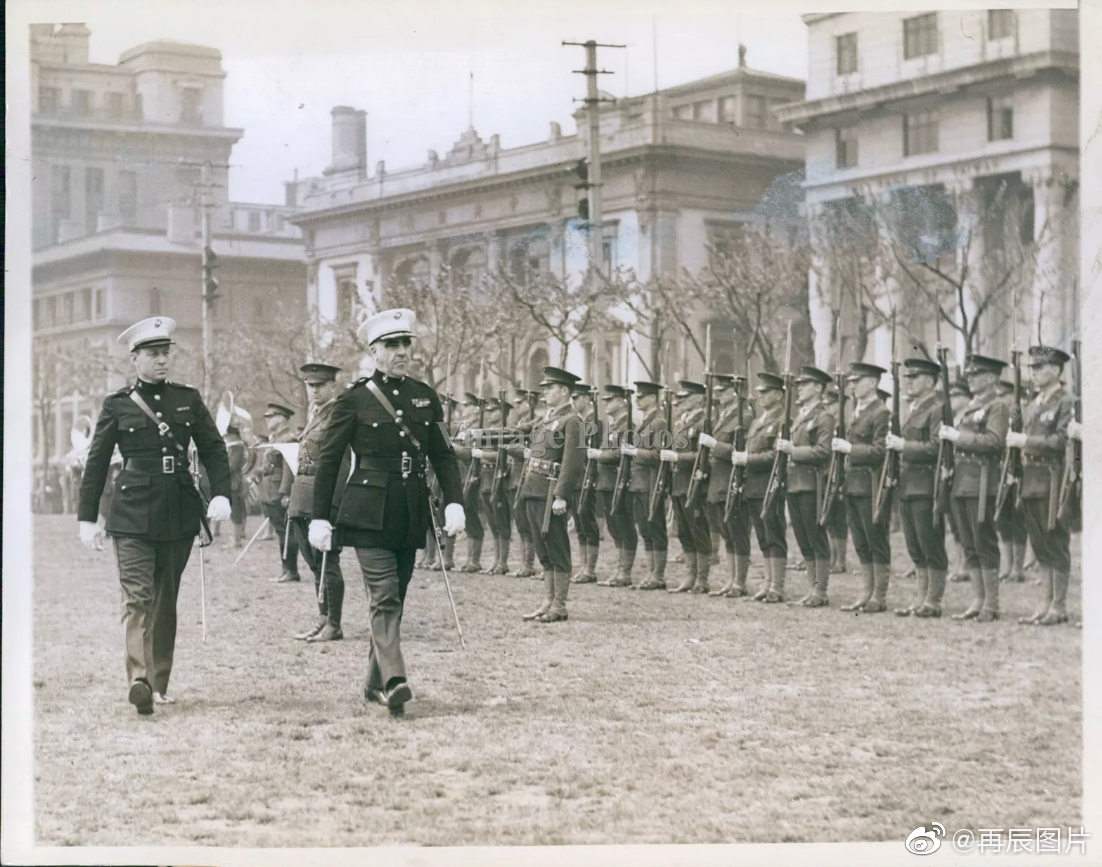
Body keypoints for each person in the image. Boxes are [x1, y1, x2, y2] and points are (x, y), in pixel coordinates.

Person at [308, 309, 465, 715]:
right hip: (366, 513)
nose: (401, 352)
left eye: (405, 343)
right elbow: (329, 459)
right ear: (374, 351)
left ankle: (372, 683)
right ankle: (395, 679)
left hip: (410, 510)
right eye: (391, 345)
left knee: (398, 595)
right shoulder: (355, 398)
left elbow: (443, 455)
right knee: (384, 596)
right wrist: (320, 515)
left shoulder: (425, 396)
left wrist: (454, 501)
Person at [77, 316, 231, 716]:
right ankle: (139, 681)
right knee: (138, 599)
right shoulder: (117, 404)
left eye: (165, 353)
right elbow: (95, 465)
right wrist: (86, 518)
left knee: (165, 601)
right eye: (152, 353)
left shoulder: (188, 398)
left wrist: (222, 496)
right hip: (130, 514)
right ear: (135, 359)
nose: (162, 360)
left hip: (178, 510)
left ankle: (159, 682)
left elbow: (214, 448)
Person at [506, 367, 588, 621]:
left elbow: (574, 462)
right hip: (533, 488)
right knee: (542, 547)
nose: (545, 393)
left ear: (564, 391)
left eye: (550, 388)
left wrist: (562, 495)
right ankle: (548, 601)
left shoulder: (573, 421)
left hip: (552, 491)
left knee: (556, 545)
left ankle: (560, 605)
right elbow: (520, 431)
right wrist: (490, 435)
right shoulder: (545, 419)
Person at [938, 355, 1010, 622]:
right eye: (969, 374)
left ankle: (991, 603)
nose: (970, 378)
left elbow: (994, 441)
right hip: (962, 481)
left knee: (984, 541)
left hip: (983, 482)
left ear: (992, 378)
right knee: (969, 543)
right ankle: (978, 599)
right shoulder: (969, 409)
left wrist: (958, 437)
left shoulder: (998, 407)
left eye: (976, 374)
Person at [1008, 345, 1074, 626]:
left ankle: (1058, 605)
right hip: (1032, 480)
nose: (1033, 373)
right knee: (1039, 543)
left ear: (1057, 370)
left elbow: (1060, 442)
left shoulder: (1066, 402)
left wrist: (1026, 442)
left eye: (1040, 367)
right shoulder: (1033, 405)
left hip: (1053, 480)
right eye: (1032, 368)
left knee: (1055, 541)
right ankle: (1045, 602)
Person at [286, 362, 350, 642]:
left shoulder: (338, 414)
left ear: (333, 386)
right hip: (303, 496)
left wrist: (332, 507)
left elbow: (342, 463)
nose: (314, 391)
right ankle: (322, 617)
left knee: (328, 561)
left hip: (322, 499)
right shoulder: (315, 415)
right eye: (311, 386)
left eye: (320, 385)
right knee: (313, 563)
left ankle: (334, 624)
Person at [886, 358, 950, 617]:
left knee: (930, 543)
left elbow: (938, 447)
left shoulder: (937, 409)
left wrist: (903, 446)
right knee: (915, 545)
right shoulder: (914, 409)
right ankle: (922, 598)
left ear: (929, 381)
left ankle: (933, 600)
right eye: (907, 377)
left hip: (926, 485)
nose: (908, 382)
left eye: (914, 377)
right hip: (908, 485)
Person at [832, 362, 891, 613]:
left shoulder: (881, 413)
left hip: (871, 483)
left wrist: (850, 449)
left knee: (875, 539)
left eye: (858, 381)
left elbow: (880, 451)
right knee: (861, 541)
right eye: (852, 382)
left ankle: (878, 595)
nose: (853, 386)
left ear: (874, 383)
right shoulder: (856, 412)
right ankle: (866, 592)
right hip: (854, 483)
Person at [775, 365, 836, 607]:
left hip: (812, 483)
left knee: (816, 537)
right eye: (798, 385)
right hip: (795, 483)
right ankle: (812, 587)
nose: (799, 388)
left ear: (819, 388)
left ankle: (820, 590)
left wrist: (793, 451)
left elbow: (823, 451)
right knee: (803, 538)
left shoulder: (824, 416)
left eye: (805, 384)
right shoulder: (801, 417)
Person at [734, 372, 788, 602]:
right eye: (760, 393)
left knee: (774, 534)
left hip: (770, 485)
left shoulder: (782, 421)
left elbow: (776, 456)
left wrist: (747, 460)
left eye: (766, 392)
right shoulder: (758, 421)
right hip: (754, 486)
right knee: (763, 536)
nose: (761, 397)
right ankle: (767, 582)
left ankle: (777, 585)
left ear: (778, 394)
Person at [696, 376, 751, 597]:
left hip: (731, 479)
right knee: (727, 533)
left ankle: (740, 581)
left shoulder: (744, 417)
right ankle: (731, 579)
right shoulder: (721, 417)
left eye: (723, 391)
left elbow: (739, 451)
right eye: (717, 391)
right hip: (717, 481)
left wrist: (714, 445)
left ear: (734, 392)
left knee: (738, 533)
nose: (718, 395)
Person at [666, 381, 712, 593]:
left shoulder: (704, 422)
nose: (680, 402)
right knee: (684, 532)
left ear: (698, 399)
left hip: (694, 483)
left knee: (698, 531)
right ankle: (689, 575)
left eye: (685, 398)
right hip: (678, 483)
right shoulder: (680, 423)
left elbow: (703, 456)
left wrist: (677, 457)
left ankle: (701, 579)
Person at [621, 381, 668, 589]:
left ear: (652, 398)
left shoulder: (658, 422)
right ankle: (651, 573)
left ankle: (658, 575)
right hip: (640, 483)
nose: (637, 400)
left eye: (641, 397)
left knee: (655, 528)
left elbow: (659, 454)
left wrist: (634, 452)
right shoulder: (645, 422)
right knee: (645, 529)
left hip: (651, 482)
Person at [593, 385, 638, 587]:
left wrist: (599, 455)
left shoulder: (628, 425)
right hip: (607, 482)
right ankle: (620, 569)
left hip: (619, 481)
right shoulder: (613, 425)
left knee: (623, 526)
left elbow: (622, 452)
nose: (606, 404)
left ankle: (625, 572)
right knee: (614, 527)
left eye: (610, 400)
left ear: (621, 402)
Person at [260, 403, 301, 583]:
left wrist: (285, 493)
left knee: (287, 533)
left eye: (271, 417)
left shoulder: (289, 439)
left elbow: (289, 468)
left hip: (279, 492)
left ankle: (291, 570)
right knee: (281, 532)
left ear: (281, 418)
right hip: (270, 491)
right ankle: (286, 570)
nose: (267, 420)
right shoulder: (275, 438)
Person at [994, 378, 1029, 582]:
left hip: (1021, 471)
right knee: (1002, 518)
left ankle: (1018, 567)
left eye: (1004, 395)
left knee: (1018, 519)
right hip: (1002, 471)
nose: (1001, 400)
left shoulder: (1023, 415)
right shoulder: (1001, 417)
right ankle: (1007, 566)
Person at [569, 383, 602, 584]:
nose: (573, 402)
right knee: (579, 520)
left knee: (586, 519)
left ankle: (590, 568)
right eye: (572, 398)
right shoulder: (579, 421)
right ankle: (583, 566)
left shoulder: (594, 422)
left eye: (576, 398)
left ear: (586, 399)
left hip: (589, 476)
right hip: (577, 477)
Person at [223, 425, 248, 548]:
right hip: (232, 481)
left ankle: (236, 540)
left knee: (236, 511)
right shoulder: (234, 447)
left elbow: (232, 466)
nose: (226, 438)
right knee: (235, 510)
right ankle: (235, 537)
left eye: (228, 435)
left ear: (233, 435)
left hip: (235, 482)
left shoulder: (237, 447)